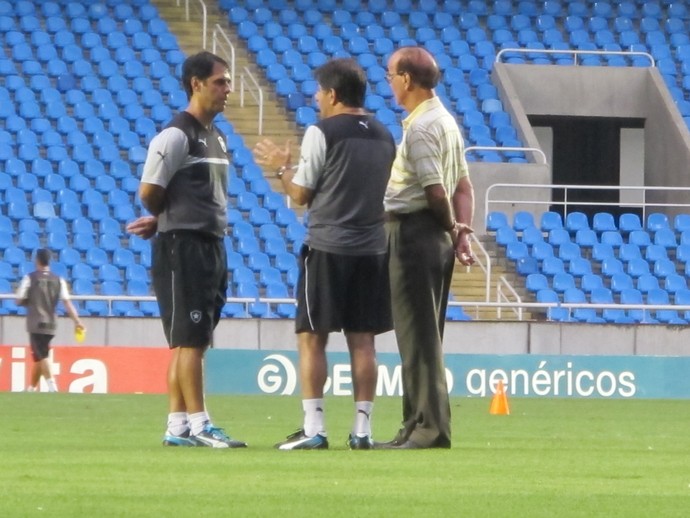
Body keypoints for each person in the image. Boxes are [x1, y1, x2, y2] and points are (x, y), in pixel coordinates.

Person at [253, 58, 396, 450]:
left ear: (332, 94)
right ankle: (362, 431)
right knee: (363, 340)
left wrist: (282, 168)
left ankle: (314, 429)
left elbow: (301, 194)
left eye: (319, 92)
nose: (317, 99)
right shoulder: (385, 134)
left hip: (329, 247)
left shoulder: (322, 132)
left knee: (311, 337)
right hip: (372, 249)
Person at [125, 51, 246, 448]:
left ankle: (177, 425)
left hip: (210, 243)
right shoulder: (175, 135)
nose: (227, 89)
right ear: (196, 84)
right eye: (220, 82)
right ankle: (200, 423)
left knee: (189, 338)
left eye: (227, 82)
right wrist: (166, 221)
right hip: (184, 247)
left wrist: (164, 218)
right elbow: (149, 191)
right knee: (190, 339)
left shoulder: (218, 136)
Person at [377, 47, 475, 449]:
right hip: (435, 235)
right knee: (422, 336)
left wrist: (451, 225)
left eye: (390, 75)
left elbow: (437, 191)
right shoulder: (446, 121)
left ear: (406, 80)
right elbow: (463, 186)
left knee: (417, 339)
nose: (388, 82)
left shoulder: (420, 128)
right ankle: (414, 423)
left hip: (415, 233)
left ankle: (428, 429)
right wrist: (460, 234)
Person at [16, 248, 85, 393]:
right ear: (49, 261)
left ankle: (52, 387)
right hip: (52, 323)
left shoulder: (30, 278)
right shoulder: (59, 280)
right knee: (39, 356)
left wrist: (30, 301)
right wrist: (77, 321)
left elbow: (18, 299)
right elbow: (67, 303)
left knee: (42, 355)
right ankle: (31, 388)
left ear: (37, 260)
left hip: (36, 323)